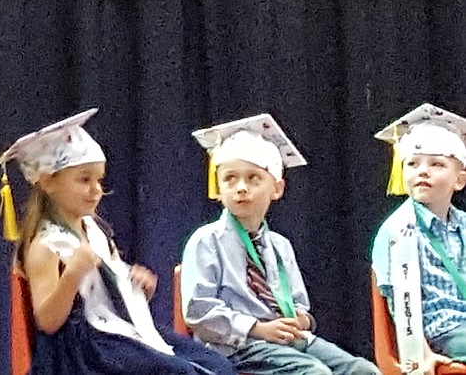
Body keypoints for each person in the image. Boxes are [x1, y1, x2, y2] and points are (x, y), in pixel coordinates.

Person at [0, 109, 236, 374]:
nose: (96, 190)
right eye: (84, 180)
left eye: (99, 180)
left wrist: (134, 285)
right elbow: (48, 321)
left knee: (217, 365)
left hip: (116, 331)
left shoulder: (94, 228)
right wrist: (73, 274)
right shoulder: (46, 245)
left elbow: (107, 293)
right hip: (83, 350)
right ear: (48, 183)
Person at [181, 115, 379, 375]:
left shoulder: (280, 245)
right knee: (315, 373)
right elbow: (199, 311)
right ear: (218, 188)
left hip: (287, 339)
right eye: (230, 178)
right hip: (237, 345)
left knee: (363, 370)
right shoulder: (206, 240)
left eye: (253, 178)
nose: (241, 188)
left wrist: (301, 319)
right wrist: (258, 328)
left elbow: (299, 303)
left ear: (277, 188)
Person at [371, 103, 466, 375]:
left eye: (437, 164)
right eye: (412, 163)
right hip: (442, 331)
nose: (422, 171)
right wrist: (423, 353)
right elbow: (399, 305)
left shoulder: (463, 225)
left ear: (459, 180)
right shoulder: (397, 231)